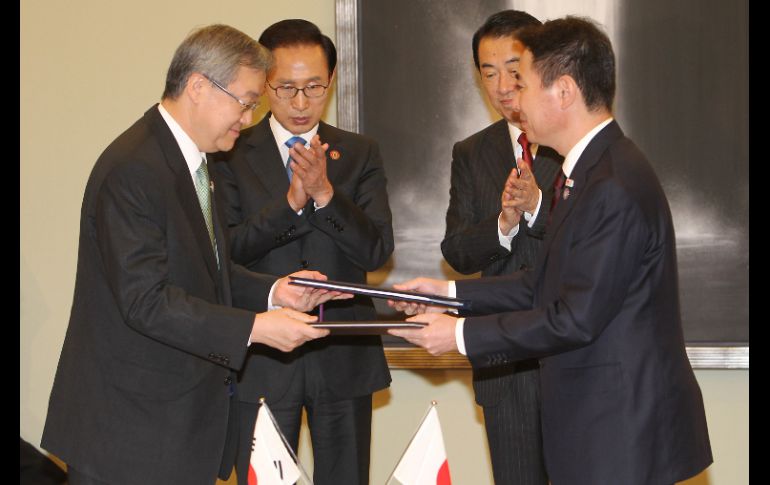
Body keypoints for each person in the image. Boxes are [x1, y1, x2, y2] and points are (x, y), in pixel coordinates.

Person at [391, 16, 713, 484]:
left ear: (563, 92)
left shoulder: (612, 184)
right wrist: (445, 293)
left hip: (620, 431)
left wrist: (458, 337)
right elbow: (542, 281)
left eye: (522, 84)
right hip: (602, 424)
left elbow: (574, 317)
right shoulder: (589, 171)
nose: (512, 99)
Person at [40, 24, 341, 485]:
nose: (248, 117)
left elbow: (205, 275)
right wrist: (256, 329)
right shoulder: (134, 169)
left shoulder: (194, 161)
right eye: (244, 101)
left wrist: (277, 293)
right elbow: (147, 301)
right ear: (199, 87)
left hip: (170, 430)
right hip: (130, 434)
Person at [213, 19, 394, 485]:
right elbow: (224, 251)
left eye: (313, 87)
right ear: (263, 82)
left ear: (330, 81)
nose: (299, 102)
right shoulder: (230, 151)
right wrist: (292, 204)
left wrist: (327, 196)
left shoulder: (358, 153)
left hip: (344, 356)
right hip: (261, 358)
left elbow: (376, 250)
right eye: (286, 87)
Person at [440, 10, 562, 485]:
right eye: (487, 72)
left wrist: (536, 208)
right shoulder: (472, 153)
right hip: (503, 364)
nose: (502, 83)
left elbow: (596, 245)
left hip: (570, 356)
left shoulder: (571, 143)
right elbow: (457, 251)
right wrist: (504, 223)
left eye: (514, 68)